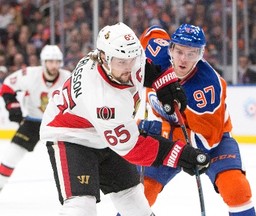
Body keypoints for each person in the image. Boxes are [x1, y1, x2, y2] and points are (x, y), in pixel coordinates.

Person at [39, 22, 210, 216]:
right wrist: (182, 154)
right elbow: (135, 148)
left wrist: (165, 83)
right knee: (81, 208)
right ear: (103, 58)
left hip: (105, 134)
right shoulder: (102, 99)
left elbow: (150, 61)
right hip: (71, 137)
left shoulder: (123, 58)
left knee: (134, 201)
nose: (129, 68)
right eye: (121, 62)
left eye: (132, 59)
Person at [138, 24, 256, 216]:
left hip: (214, 139)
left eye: (192, 53)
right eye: (179, 51)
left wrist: (162, 132)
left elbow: (205, 141)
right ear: (170, 48)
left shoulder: (206, 88)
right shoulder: (156, 53)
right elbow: (153, 31)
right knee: (140, 193)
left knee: (235, 188)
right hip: (167, 134)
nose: (184, 59)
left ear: (201, 55)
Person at [0, 45, 71, 191]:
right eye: (50, 61)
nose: (54, 65)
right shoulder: (30, 74)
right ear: (43, 62)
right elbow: (7, 85)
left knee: (74, 158)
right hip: (33, 121)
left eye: (57, 61)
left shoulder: (67, 77)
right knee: (12, 154)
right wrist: (13, 106)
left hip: (59, 124)